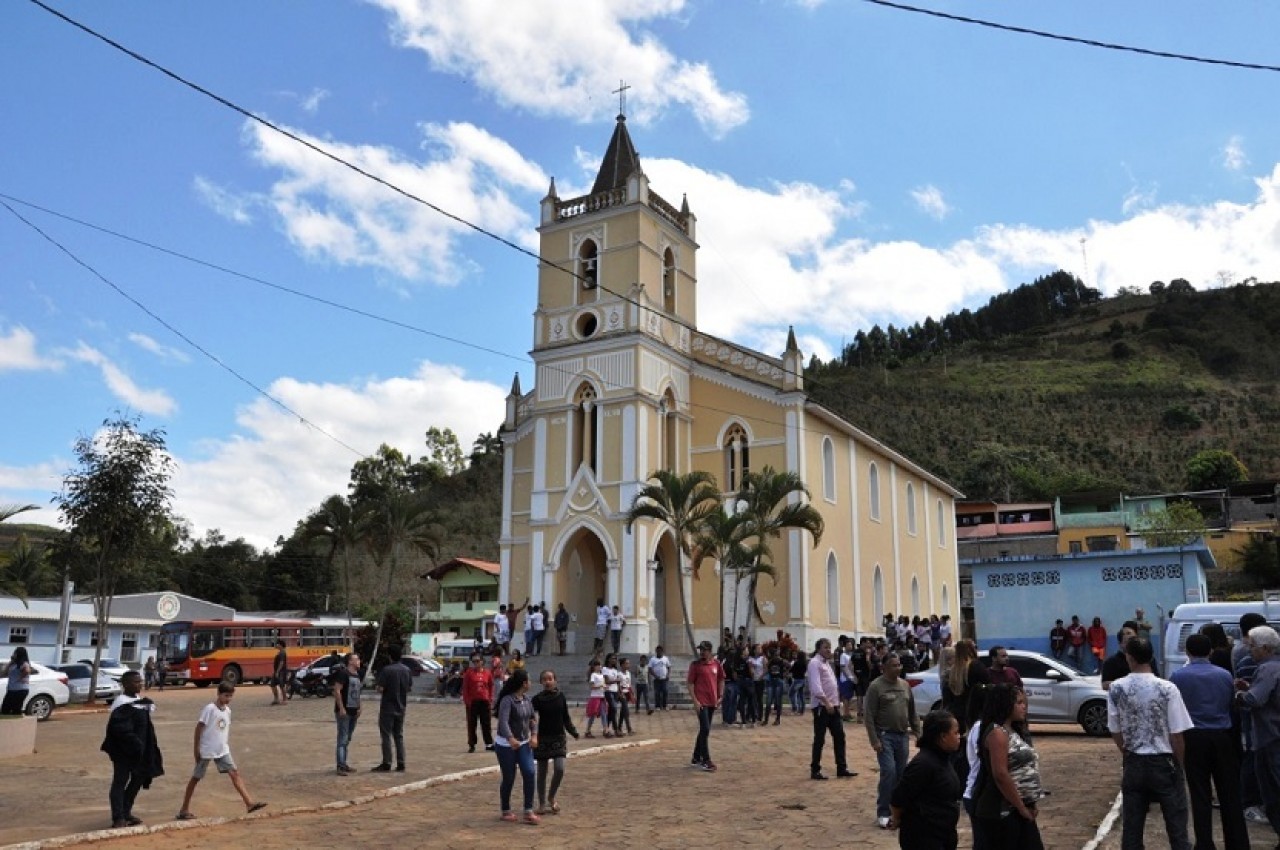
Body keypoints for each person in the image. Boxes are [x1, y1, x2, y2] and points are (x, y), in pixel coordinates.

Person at [1107, 636, 1193, 850]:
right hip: (1164, 759)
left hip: (1134, 760)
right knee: (1176, 825)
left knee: (1132, 827)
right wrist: (1179, 764)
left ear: (1130, 658)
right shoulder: (1168, 688)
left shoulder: (1117, 688)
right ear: (1151, 657)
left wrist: (1125, 751)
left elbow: (1114, 728)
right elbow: (1177, 734)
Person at [1169, 633, 1248, 850]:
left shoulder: (1178, 677)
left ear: (1187, 652)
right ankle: (1238, 843)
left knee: (1200, 793)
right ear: (1211, 651)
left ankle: (1204, 843)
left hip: (1193, 738)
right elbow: (1229, 704)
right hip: (1222, 737)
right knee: (1229, 793)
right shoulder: (1224, 675)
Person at [175, 683, 267, 819]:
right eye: (226, 695)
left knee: (234, 773)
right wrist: (196, 749)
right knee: (196, 778)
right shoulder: (210, 709)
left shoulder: (228, 711)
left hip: (222, 749)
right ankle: (184, 809)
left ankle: (249, 803)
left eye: (230, 696)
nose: (228, 699)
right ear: (218, 694)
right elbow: (199, 728)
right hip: (206, 750)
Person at [972, 684, 1043, 850]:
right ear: (1005, 704)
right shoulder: (997, 733)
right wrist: (1021, 807)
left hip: (1018, 808)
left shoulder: (1012, 730)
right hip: (1002, 810)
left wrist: (1030, 802)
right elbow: (1001, 774)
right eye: (1019, 703)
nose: (1024, 706)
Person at [889, 710, 964, 850]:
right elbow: (898, 797)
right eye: (955, 733)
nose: (959, 737)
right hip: (924, 836)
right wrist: (897, 818)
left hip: (943, 832)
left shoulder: (943, 758)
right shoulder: (923, 764)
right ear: (943, 737)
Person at [100, 670, 163, 829]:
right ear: (126, 684)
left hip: (139, 752)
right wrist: (134, 742)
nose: (140, 684)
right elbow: (119, 729)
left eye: (140, 681)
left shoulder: (138, 701)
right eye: (136, 682)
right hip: (123, 752)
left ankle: (126, 811)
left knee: (138, 778)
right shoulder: (121, 704)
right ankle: (118, 817)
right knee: (120, 782)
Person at [864, 652, 921, 829]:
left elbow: (912, 711)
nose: (898, 668)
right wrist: (875, 740)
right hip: (884, 736)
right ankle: (883, 812)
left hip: (902, 736)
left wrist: (918, 732)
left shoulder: (905, 686)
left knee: (901, 773)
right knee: (888, 772)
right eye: (894, 665)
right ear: (884, 668)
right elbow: (869, 716)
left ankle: (899, 809)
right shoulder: (876, 687)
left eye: (899, 665)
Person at [1236, 624, 1280, 839]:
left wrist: (1239, 695)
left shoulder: (1267, 669)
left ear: (1265, 648)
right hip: (1272, 736)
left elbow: (1256, 699)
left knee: (1272, 793)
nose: (1249, 650)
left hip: (1270, 738)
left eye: (1252, 646)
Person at [494, 668, 539, 824]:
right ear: (524, 683)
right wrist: (510, 738)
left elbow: (533, 719)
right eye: (529, 680)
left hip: (524, 743)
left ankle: (528, 810)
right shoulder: (508, 700)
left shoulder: (527, 700)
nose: (531, 683)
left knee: (529, 772)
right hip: (506, 745)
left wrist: (534, 735)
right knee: (509, 777)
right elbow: (503, 722)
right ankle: (505, 809)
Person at [807, 637, 856, 781]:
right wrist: (826, 702)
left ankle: (841, 767)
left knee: (840, 736)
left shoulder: (827, 664)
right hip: (822, 707)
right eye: (825, 647)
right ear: (818, 649)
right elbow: (816, 687)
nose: (828, 650)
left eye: (829, 647)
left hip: (833, 706)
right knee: (820, 739)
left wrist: (836, 701)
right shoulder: (814, 663)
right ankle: (815, 769)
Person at [531, 669, 578, 815]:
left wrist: (573, 731)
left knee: (560, 768)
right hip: (542, 739)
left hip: (558, 738)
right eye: (544, 679)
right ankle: (542, 803)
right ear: (541, 682)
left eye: (550, 679)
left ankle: (551, 796)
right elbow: (530, 717)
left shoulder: (560, 697)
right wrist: (531, 733)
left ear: (555, 680)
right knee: (542, 773)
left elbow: (565, 717)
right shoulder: (537, 699)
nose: (547, 682)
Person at [372, 645, 412, 772]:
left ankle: (387, 762)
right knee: (399, 735)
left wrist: (377, 688)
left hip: (388, 707)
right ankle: (401, 762)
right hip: (401, 706)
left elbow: (381, 688)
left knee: (386, 735)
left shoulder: (387, 670)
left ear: (390, 656)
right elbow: (409, 688)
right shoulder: (407, 670)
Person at [687, 640, 725, 772]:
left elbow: (721, 679)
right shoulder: (696, 665)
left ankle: (696, 757)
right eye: (700, 650)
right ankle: (706, 759)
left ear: (710, 651)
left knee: (705, 730)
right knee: (705, 728)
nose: (702, 652)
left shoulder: (716, 664)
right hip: (701, 702)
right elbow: (690, 683)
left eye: (704, 650)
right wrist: (695, 701)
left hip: (712, 701)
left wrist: (720, 695)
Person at [941, 639, 990, 733]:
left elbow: (947, 697)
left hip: (957, 715)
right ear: (970, 649)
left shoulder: (953, 671)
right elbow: (987, 687)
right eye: (975, 647)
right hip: (974, 714)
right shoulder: (976, 666)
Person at [331, 652, 362, 775]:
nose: (359, 661)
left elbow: (358, 692)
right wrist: (341, 708)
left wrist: (359, 706)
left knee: (347, 738)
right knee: (342, 739)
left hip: (354, 711)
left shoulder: (357, 675)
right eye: (356, 659)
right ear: (350, 661)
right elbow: (337, 690)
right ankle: (340, 765)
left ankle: (344, 762)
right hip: (344, 711)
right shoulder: (343, 674)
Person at [462, 652, 495, 753]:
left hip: (484, 702)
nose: (476, 663)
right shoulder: (469, 673)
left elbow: (490, 686)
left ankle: (489, 743)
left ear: (482, 661)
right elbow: (465, 688)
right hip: (472, 702)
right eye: (474, 661)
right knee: (472, 724)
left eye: (477, 661)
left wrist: (490, 699)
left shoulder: (487, 673)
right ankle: (472, 744)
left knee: (486, 723)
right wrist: (467, 701)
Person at [2, 646, 31, 715]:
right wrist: (11, 661)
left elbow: (27, 671)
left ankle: (16, 724)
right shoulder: (13, 664)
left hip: (20, 690)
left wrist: (20, 678)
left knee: (15, 709)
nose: (13, 654)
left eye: (15, 653)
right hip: (11, 689)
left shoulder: (24, 663)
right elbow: (4, 672)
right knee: (5, 709)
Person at [583, 659, 606, 738]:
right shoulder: (593, 675)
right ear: (595, 667)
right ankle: (587, 730)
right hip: (595, 697)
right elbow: (592, 686)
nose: (600, 667)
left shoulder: (601, 675)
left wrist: (604, 687)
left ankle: (605, 729)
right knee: (592, 715)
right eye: (598, 665)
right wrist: (601, 686)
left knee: (604, 714)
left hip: (601, 696)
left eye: (600, 665)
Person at [765, 646, 786, 725]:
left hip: (777, 680)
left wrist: (784, 673)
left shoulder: (780, 660)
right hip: (773, 681)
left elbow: (788, 665)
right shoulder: (772, 661)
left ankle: (775, 719)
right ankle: (771, 719)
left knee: (775, 701)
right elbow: (767, 667)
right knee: (771, 701)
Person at [649, 646, 670, 711]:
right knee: (657, 693)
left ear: (662, 651)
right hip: (656, 679)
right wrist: (655, 676)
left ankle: (665, 705)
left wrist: (668, 675)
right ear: (656, 651)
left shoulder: (665, 659)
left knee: (665, 691)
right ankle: (657, 706)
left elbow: (669, 667)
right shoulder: (652, 659)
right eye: (658, 651)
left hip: (664, 679)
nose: (659, 652)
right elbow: (650, 669)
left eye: (660, 651)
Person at [789, 650, 809, 715]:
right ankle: (801, 710)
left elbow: (791, 670)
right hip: (802, 680)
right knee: (801, 695)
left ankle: (795, 708)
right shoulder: (805, 663)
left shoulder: (796, 663)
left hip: (797, 680)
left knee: (791, 693)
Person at [270, 639, 288, 705]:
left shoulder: (282, 653)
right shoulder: (280, 652)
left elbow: (281, 663)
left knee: (281, 685)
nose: (276, 645)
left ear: (281, 645)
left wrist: (277, 671)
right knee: (272, 685)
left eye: (277, 644)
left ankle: (285, 699)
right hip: (277, 671)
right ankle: (276, 699)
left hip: (281, 672)